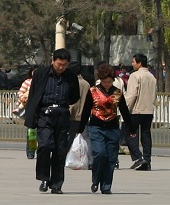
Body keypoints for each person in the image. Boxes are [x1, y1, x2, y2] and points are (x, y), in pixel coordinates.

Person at [23, 48, 82, 194]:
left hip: (62, 114)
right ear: (52, 61)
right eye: (58, 64)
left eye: (64, 65)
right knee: (44, 146)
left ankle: (56, 184)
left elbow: (75, 96)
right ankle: (44, 178)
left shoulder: (71, 77)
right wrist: (32, 115)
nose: (61, 67)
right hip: (45, 114)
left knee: (60, 150)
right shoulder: (41, 74)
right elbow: (34, 94)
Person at [78, 63, 131, 195]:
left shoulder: (118, 93)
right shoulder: (93, 91)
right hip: (96, 127)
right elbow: (85, 111)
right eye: (104, 81)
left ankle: (106, 185)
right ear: (100, 80)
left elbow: (124, 111)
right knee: (100, 154)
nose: (107, 84)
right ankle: (96, 180)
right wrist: (80, 127)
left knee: (111, 158)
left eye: (109, 81)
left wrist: (131, 128)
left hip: (113, 128)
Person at [124, 53, 156, 171]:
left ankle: (138, 157)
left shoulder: (135, 75)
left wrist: (126, 109)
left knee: (127, 132)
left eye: (133, 62)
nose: (132, 64)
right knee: (146, 134)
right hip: (148, 110)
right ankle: (147, 161)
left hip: (137, 110)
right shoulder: (152, 76)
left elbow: (132, 94)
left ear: (139, 63)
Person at [16, 68, 37, 158]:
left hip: (42, 109)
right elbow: (20, 92)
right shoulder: (27, 82)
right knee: (32, 131)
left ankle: (42, 151)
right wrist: (23, 98)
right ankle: (31, 151)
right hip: (30, 109)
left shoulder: (45, 82)